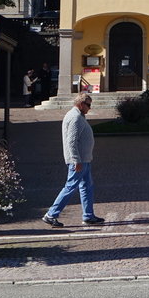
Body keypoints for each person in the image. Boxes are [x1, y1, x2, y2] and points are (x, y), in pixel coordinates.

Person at [42, 93, 104, 227]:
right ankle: (51, 214)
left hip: (84, 159)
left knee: (86, 187)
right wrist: (76, 160)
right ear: (81, 104)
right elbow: (71, 141)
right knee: (70, 187)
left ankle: (88, 215)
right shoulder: (75, 117)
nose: (89, 108)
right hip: (78, 161)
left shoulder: (78, 116)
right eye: (88, 105)